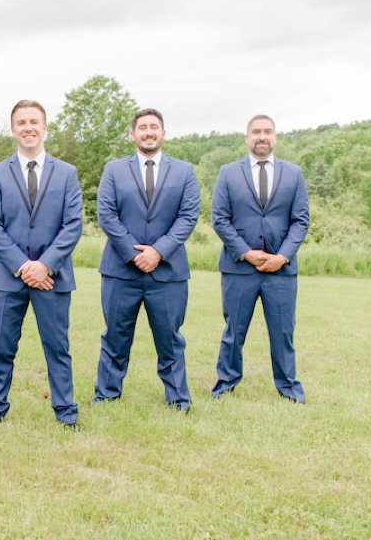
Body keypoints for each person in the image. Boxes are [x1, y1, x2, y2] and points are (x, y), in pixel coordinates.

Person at [0, 100, 82, 427]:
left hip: (52, 278)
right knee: (1, 348)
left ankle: (66, 414)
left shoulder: (66, 173)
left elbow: (73, 225)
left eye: (34, 121)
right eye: (22, 122)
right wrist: (24, 266)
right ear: (12, 129)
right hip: (8, 277)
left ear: (45, 127)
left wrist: (45, 265)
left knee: (57, 349)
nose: (28, 127)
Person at [92, 108, 201, 412]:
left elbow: (188, 216)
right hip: (120, 270)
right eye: (143, 127)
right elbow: (107, 214)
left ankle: (178, 398)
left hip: (167, 271)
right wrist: (133, 252)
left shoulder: (184, 171)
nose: (148, 132)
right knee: (115, 335)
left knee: (170, 338)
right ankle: (107, 396)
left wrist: (158, 252)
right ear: (133, 134)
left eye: (154, 127)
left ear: (163, 133)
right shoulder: (114, 170)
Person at [211, 114, 309, 403]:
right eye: (256, 132)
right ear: (247, 137)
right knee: (233, 331)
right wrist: (245, 252)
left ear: (275, 137)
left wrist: (283, 257)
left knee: (283, 332)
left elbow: (301, 221)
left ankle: (289, 389)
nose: (261, 136)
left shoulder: (294, 174)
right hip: (239, 267)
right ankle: (225, 385)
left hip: (280, 271)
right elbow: (219, 219)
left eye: (267, 131)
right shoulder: (228, 173)